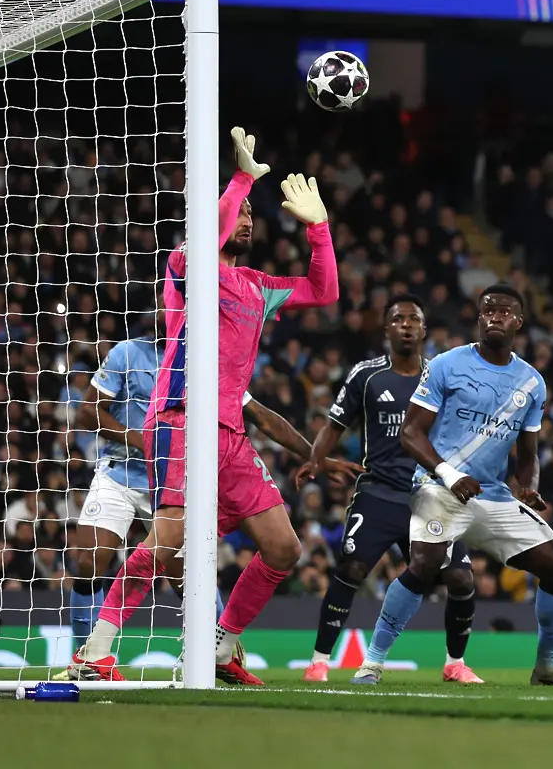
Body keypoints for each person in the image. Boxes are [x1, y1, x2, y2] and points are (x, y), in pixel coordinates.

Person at [72, 128, 339, 684]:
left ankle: (222, 647)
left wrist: (319, 229)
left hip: (230, 434)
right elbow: (209, 231)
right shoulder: (185, 266)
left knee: (283, 548)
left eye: (252, 216)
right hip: (179, 420)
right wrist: (240, 182)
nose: (246, 220)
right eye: (238, 214)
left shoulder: (257, 286)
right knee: (167, 544)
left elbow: (325, 291)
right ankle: (95, 652)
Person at [351, 284, 553, 687]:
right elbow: (410, 433)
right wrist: (449, 474)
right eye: (488, 310)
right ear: (478, 318)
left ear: (519, 322)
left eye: (504, 311)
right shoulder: (446, 364)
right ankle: (372, 662)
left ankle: (546, 666)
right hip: (438, 487)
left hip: (491, 495)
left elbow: (528, 454)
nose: (495, 316)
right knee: (424, 563)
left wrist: (527, 487)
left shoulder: (532, 383)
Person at [66, 321, 327, 652]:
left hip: (173, 484)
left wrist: (315, 454)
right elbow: (87, 413)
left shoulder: (207, 361)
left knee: (189, 582)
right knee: (89, 560)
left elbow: (259, 414)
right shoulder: (127, 353)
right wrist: (142, 440)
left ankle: (219, 653)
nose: (170, 310)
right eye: (166, 302)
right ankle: (83, 658)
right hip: (121, 473)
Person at [298, 294, 481, 684]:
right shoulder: (366, 375)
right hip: (379, 492)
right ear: (386, 330)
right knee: (352, 568)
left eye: (414, 319)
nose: (406, 325)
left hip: (430, 496)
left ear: (424, 329)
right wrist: (316, 461)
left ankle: (455, 663)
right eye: (398, 319)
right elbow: (334, 425)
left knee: (461, 579)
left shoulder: (443, 376)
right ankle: (319, 662)